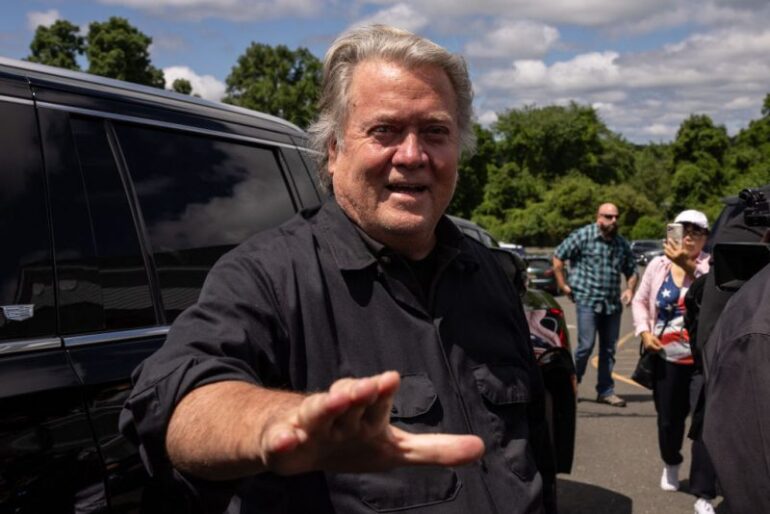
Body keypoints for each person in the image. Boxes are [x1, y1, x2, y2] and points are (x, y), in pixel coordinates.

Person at [119, 24, 554, 514]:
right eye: (384, 130)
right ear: (332, 150)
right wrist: (278, 421)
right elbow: (180, 403)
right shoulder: (266, 276)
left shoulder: (489, 275)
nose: (412, 155)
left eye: (435, 131)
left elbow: (533, 450)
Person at [631, 209, 717, 514]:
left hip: (701, 362)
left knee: (705, 425)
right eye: (684, 229)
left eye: (697, 231)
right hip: (666, 359)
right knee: (668, 421)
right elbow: (641, 300)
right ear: (672, 233)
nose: (690, 236)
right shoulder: (658, 264)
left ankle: (704, 491)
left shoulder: (712, 267)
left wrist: (690, 267)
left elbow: (714, 300)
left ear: (706, 237)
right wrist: (643, 331)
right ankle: (671, 461)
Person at [552, 203, 638, 407]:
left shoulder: (620, 243)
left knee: (608, 350)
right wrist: (563, 285)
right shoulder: (583, 236)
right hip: (587, 301)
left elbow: (632, 269)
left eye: (616, 216)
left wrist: (629, 289)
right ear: (598, 217)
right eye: (608, 216)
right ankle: (572, 384)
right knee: (585, 346)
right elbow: (558, 257)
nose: (613, 220)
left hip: (611, 305)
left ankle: (606, 391)